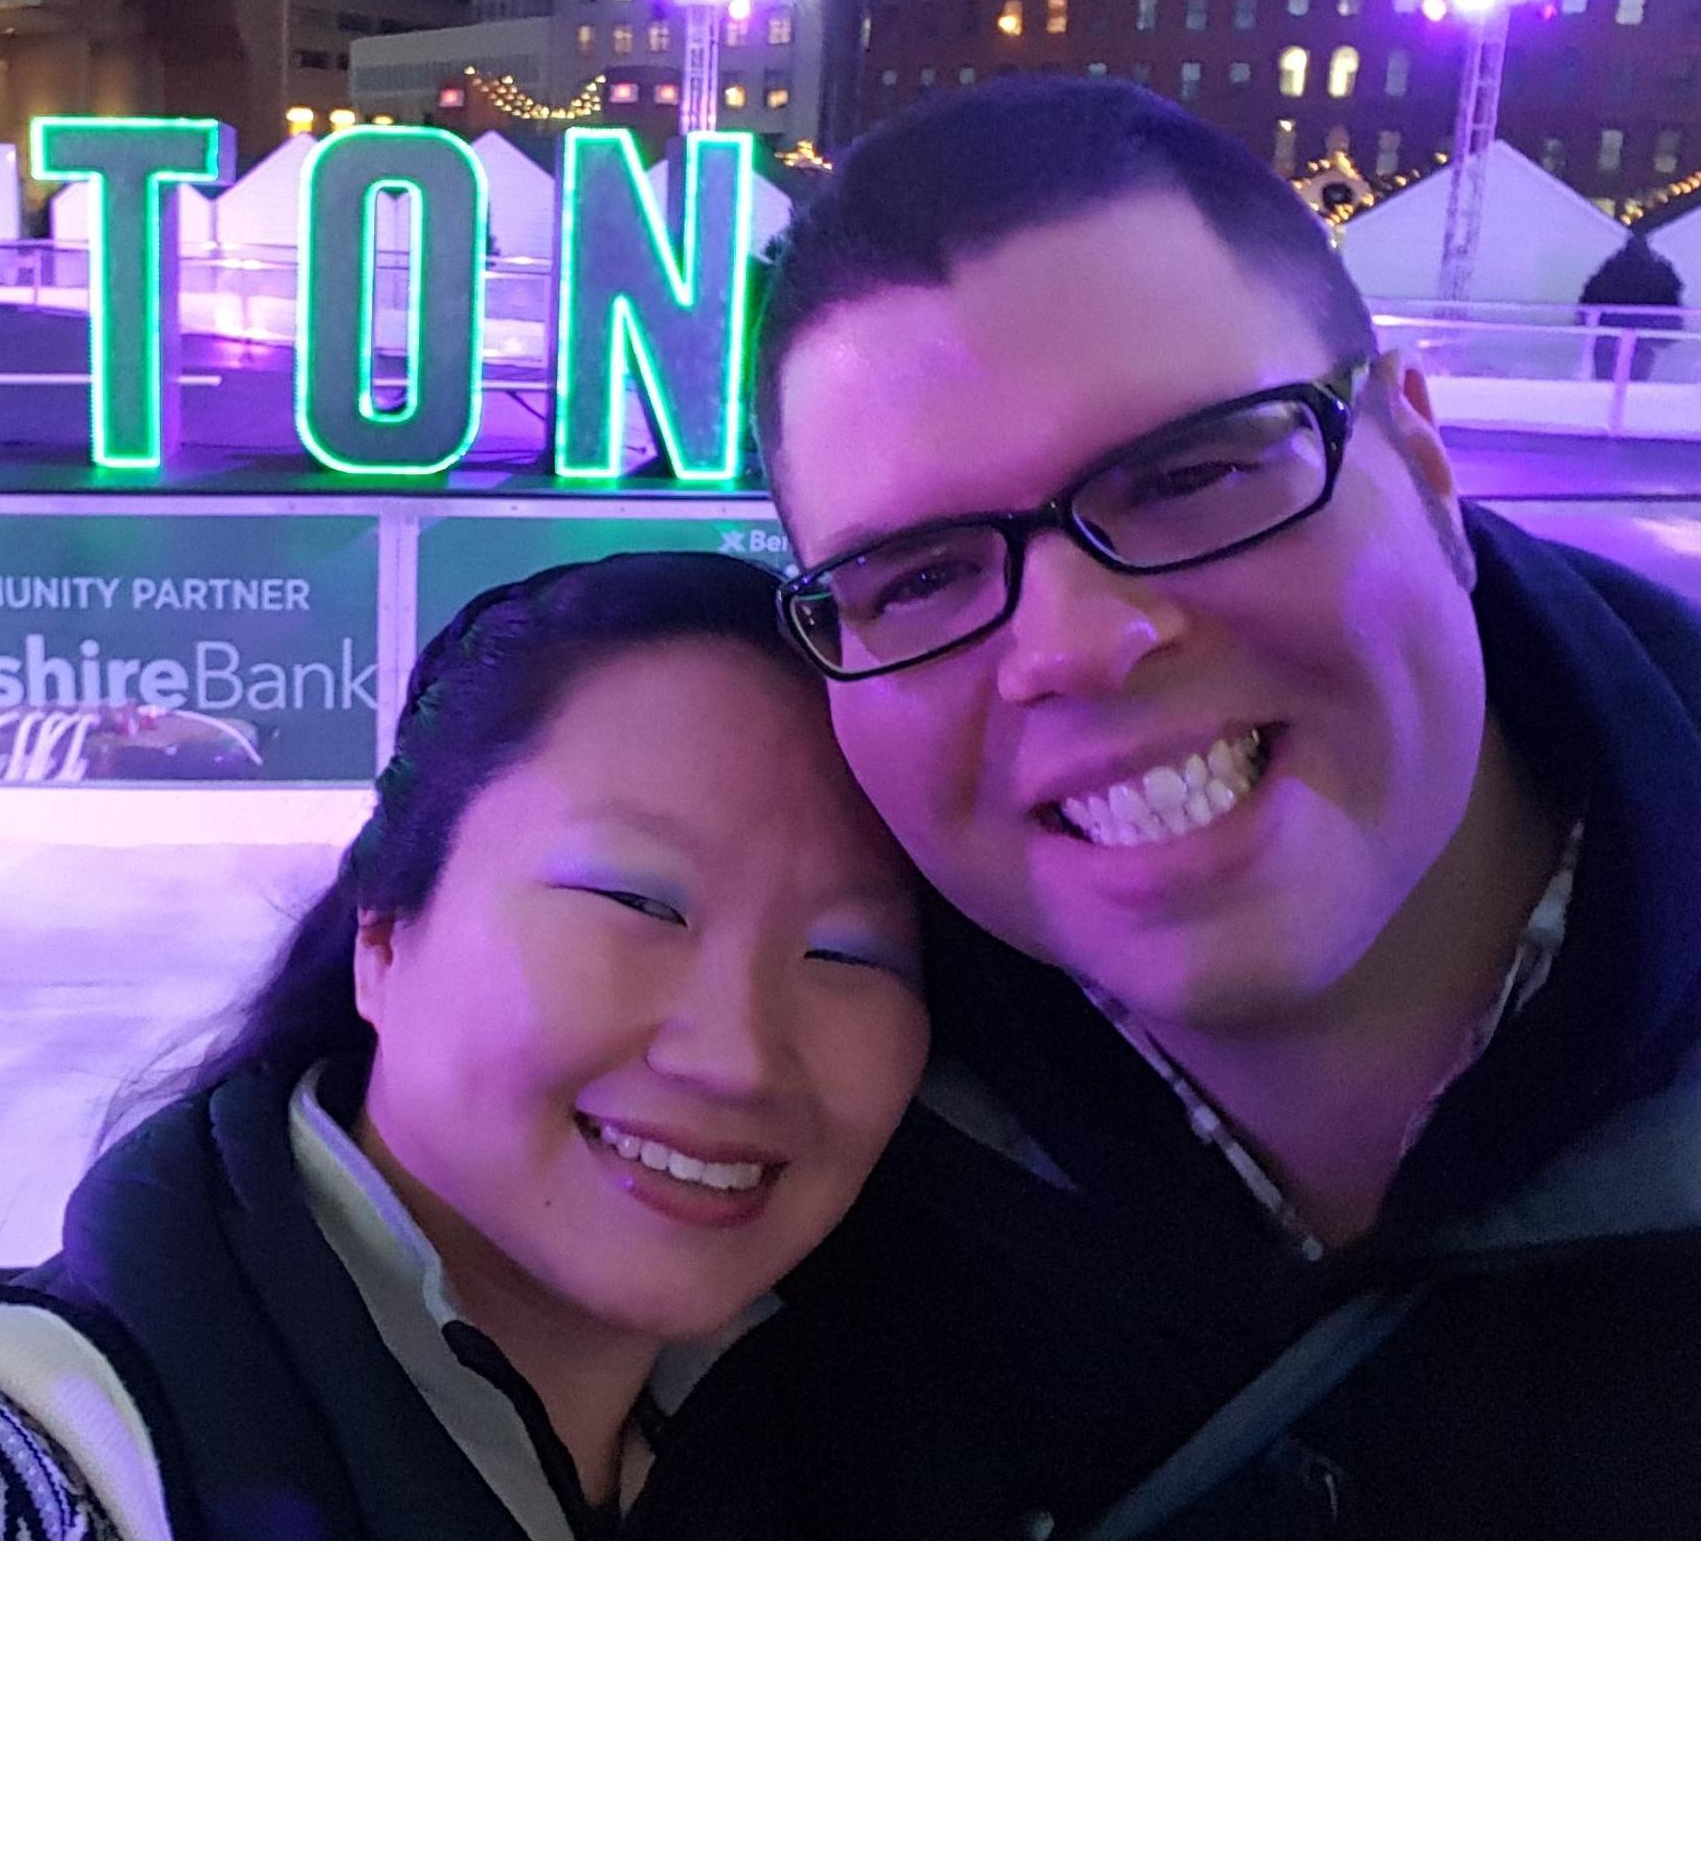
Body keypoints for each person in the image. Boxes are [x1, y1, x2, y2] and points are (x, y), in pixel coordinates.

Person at [637, 76, 1701, 1540]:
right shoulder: (788, 1138)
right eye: (925, 575)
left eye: (1191, 476)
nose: (1073, 643)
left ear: (1424, 460)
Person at [0, 551, 927, 1539]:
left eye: (853, 954)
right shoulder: (37, 1472)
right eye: (636, 901)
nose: (742, 1055)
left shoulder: (882, 1432)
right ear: (384, 930)